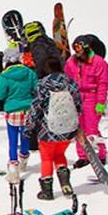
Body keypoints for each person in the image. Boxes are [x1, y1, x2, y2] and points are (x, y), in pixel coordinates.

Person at [26, 56, 81, 199]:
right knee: (60, 154)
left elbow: (35, 107)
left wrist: (29, 126)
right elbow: (78, 104)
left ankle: (47, 191)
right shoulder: (70, 82)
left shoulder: (42, 85)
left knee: (47, 158)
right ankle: (65, 183)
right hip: (68, 128)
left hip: (48, 130)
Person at [65, 38, 108, 166]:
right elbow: (67, 80)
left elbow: (103, 83)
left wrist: (101, 103)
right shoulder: (71, 61)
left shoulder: (98, 62)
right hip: (77, 96)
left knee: (91, 128)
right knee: (79, 127)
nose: (77, 52)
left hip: (92, 96)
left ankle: (101, 153)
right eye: (75, 49)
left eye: (79, 49)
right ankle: (83, 155)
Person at [0, 47, 36, 170]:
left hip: (12, 111)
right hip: (28, 109)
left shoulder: (4, 76)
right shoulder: (30, 73)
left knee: (12, 139)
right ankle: (24, 158)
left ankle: (13, 163)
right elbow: (36, 89)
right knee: (25, 135)